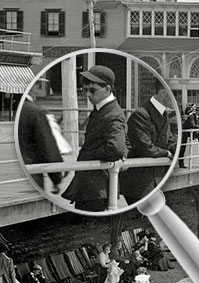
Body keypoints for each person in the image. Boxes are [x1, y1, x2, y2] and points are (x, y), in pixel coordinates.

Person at [61, 65, 127, 211]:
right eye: (85, 90)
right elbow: (124, 143)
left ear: (108, 89)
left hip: (96, 187)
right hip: (93, 186)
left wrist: (88, 154)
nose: (88, 95)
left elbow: (116, 148)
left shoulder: (112, 114)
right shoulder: (102, 110)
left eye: (92, 90)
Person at [120, 87, 176, 205]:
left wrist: (175, 150)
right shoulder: (141, 114)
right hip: (140, 183)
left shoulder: (163, 114)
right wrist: (167, 153)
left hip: (157, 179)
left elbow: (169, 140)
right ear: (163, 92)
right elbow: (145, 147)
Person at [18, 78, 65, 190]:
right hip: (31, 174)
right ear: (33, 87)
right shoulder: (35, 112)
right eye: (39, 85)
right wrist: (56, 177)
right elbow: (46, 146)